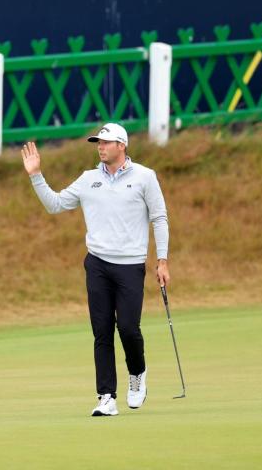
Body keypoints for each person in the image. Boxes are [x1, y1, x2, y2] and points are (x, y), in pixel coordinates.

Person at [22, 123, 170, 417]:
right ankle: (106, 396)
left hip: (130, 265)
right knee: (101, 332)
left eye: (106, 142)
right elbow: (55, 204)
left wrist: (162, 260)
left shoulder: (144, 177)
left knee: (128, 329)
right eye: (97, 143)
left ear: (121, 146)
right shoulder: (89, 179)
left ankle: (137, 373)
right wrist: (36, 175)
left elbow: (159, 217)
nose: (100, 147)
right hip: (98, 265)